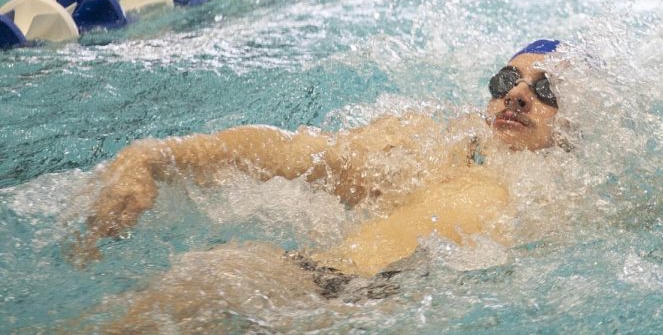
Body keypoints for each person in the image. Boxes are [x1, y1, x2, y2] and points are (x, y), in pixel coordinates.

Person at [72, 39, 568, 299]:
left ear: (572, 126)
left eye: (546, 91)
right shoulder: (426, 148)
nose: (518, 95)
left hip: (381, 307)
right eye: (509, 78)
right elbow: (298, 153)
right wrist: (158, 157)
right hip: (313, 287)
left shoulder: (568, 196)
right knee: (214, 275)